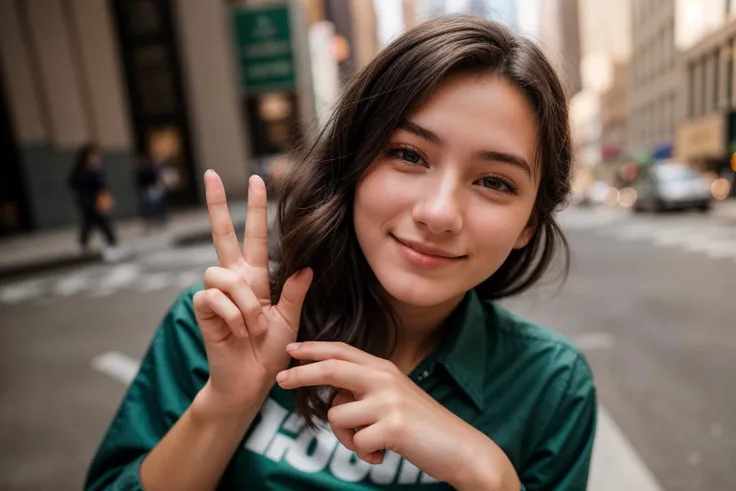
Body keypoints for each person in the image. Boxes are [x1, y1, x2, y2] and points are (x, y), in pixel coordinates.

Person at [85, 16, 596, 491]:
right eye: (409, 155)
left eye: (493, 181)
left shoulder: (552, 387)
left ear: (529, 222)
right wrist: (225, 405)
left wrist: (485, 472)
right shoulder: (224, 325)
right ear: (353, 162)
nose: (439, 213)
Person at [68, 142, 120, 261]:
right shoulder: (81, 171)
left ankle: (83, 246)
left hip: (97, 201)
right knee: (103, 224)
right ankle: (111, 247)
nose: (97, 159)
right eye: (94, 156)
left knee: (89, 224)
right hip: (88, 202)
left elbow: (103, 187)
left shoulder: (95, 171)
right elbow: (73, 184)